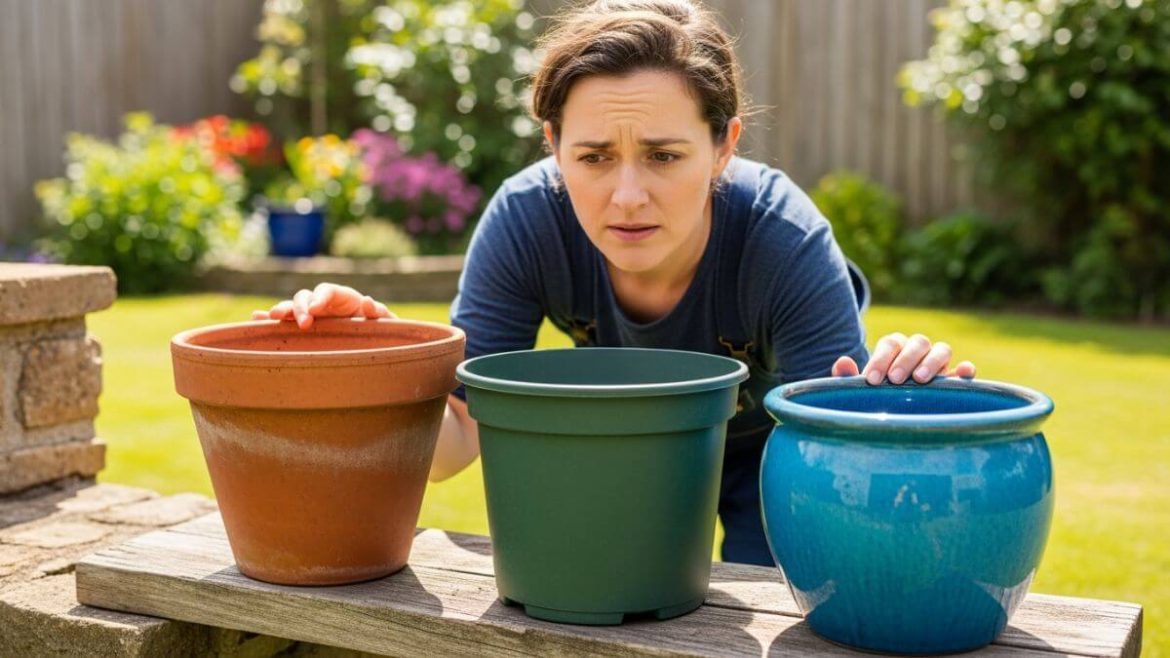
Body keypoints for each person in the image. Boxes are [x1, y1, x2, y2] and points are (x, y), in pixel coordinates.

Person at [254, 0, 976, 566]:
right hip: (639, 447)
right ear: (553, 147)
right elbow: (452, 448)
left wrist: (909, 402)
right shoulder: (527, 221)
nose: (627, 196)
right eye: (595, 157)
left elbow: (839, 469)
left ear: (724, 146)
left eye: (663, 155)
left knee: (785, 603)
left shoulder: (783, 239)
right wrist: (380, 361)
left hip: (777, 454)